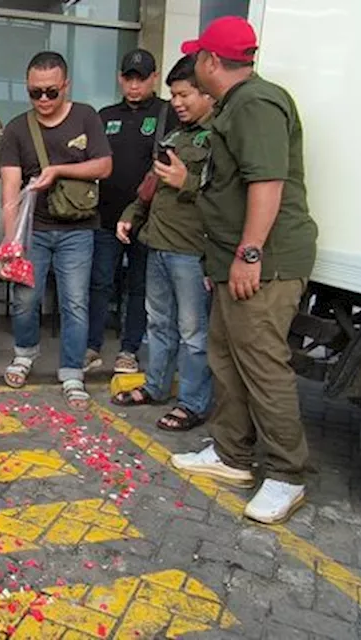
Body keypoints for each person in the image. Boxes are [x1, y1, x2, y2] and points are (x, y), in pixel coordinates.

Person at [168, 17, 319, 524]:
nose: (193, 68)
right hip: (232, 260)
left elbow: (267, 183)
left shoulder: (255, 103)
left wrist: (248, 253)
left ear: (212, 63)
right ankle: (232, 454)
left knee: (261, 365)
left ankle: (286, 474)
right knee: (225, 357)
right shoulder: (234, 107)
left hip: (266, 265)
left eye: (197, 60)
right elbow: (225, 188)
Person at [0, 51, 112, 410]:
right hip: (35, 230)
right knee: (25, 300)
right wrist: (10, 241)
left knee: (75, 302)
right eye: (36, 93)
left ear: (66, 86)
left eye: (52, 92)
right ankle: (24, 354)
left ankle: (72, 372)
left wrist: (60, 170)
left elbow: (105, 165)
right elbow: (10, 190)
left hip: (79, 230)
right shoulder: (17, 128)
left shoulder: (86, 117)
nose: (44, 100)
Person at [113, 53, 214, 430]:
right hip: (157, 243)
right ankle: (155, 386)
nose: (177, 102)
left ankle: (193, 403)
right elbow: (151, 186)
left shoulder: (220, 137)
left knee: (193, 333)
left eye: (185, 94)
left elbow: (226, 198)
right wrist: (130, 214)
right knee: (158, 324)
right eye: (173, 95)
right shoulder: (174, 135)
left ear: (207, 93)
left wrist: (186, 182)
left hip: (192, 251)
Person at [89, 48, 168, 375]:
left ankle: (129, 349)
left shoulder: (166, 113)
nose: (135, 86)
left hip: (147, 220)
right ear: (121, 79)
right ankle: (91, 345)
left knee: (139, 286)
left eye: (142, 79)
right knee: (100, 283)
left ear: (154, 78)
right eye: (129, 78)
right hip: (106, 217)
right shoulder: (105, 116)